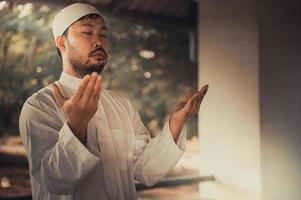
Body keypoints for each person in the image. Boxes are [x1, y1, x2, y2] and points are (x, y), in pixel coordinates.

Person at [19, 3, 208, 200]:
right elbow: (55, 183)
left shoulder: (122, 105)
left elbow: (145, 170)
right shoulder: (40, 106)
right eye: (87, 33)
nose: (98, 42)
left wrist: (176, 124)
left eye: (103, 35)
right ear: (61, 43)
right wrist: (76, 127)